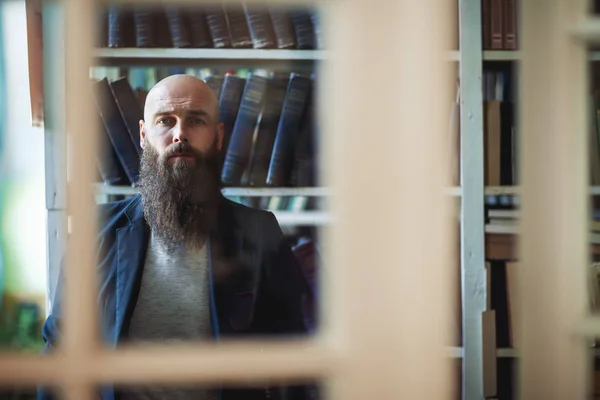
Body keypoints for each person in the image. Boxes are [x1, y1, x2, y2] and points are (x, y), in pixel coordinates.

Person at [38, 75, 317, 400]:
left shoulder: (260, 231)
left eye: (196, 120)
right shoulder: (94, 231)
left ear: (218, 136)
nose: (180, 134)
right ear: (144, 135)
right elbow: (60, 348)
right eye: (165, 121)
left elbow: (297, 354)